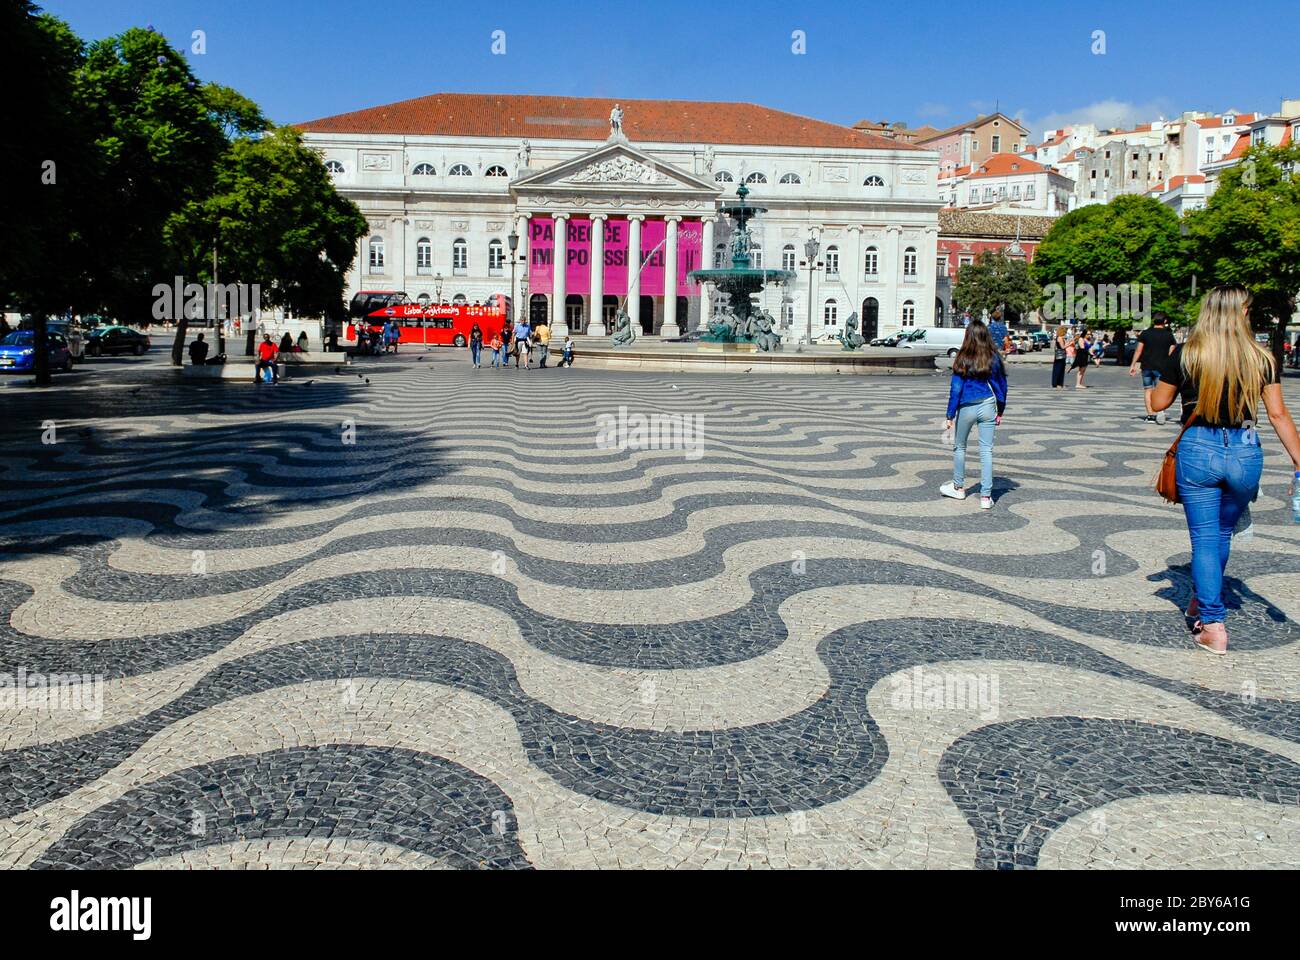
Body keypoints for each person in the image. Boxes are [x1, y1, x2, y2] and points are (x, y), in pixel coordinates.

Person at [1150, 286, 1300, 655]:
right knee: (1221, 534)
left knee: (1204, 538)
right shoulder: (1261, 357)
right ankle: (1203, 601)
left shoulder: (1188, 354)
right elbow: (1278, 415)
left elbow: (1157, 404)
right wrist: (1299, 461)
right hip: (1246, 450)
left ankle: (1213, 624)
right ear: (1241, 313)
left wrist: (1153, 386)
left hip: (1199, 447)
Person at [941, 319, 1008, 510]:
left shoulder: (962, 357)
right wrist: (1000, 410)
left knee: (960, 447)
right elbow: (1002, 386)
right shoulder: (993, 357)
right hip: (988, 405)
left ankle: (958, 487)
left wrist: (950, 415)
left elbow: (956, 389)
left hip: (967, 406)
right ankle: (986, 497)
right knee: (986, 450)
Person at [1130, 312, 1177, 423]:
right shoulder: (1168, 334)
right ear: (1165, 321)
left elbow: (1138, 350)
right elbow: (1172, 351)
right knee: (1159, 390)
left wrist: (1133, 365)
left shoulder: (1145, 334)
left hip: (1146, 366)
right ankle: (1160, 411)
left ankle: (1150, 415)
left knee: (1148, 390)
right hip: (1162, 366)